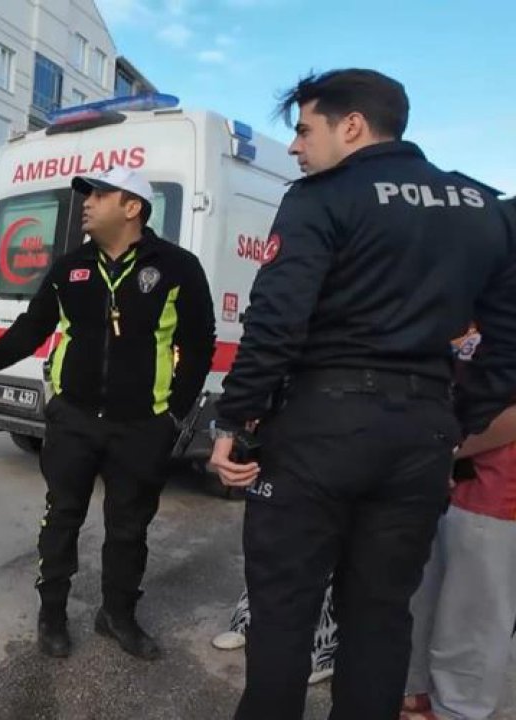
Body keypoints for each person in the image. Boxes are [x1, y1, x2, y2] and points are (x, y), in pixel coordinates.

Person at [208, 69, 516, 720]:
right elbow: (508, 340)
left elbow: (276, 321)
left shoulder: (322, 197)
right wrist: (459, 422)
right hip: (422, 435)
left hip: (319, 428)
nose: (295, 147)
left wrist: (234, 419)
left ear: (351, 126)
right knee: (379, 617)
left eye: (304, 129)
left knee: (284, 611)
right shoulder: (482, 206)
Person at [0, 167, 216, 660]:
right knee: (61, 518)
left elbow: (199, 347)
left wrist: (173, 416)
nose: (86, 203)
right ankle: (52, 614)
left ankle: (118, 615)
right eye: (87, 195)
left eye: (99, 194)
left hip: (142, 427)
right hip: (73, 420)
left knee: (129, 528)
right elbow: (33, 326)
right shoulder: (71, 267)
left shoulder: (178, 267)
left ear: (132, 207)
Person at [403, 328, 516, 720]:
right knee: (429, 599)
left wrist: (444, 449)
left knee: (475, 611)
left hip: (498, 490)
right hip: (446, 483)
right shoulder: (478, 320)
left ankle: (459, 709)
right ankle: (421, 691)